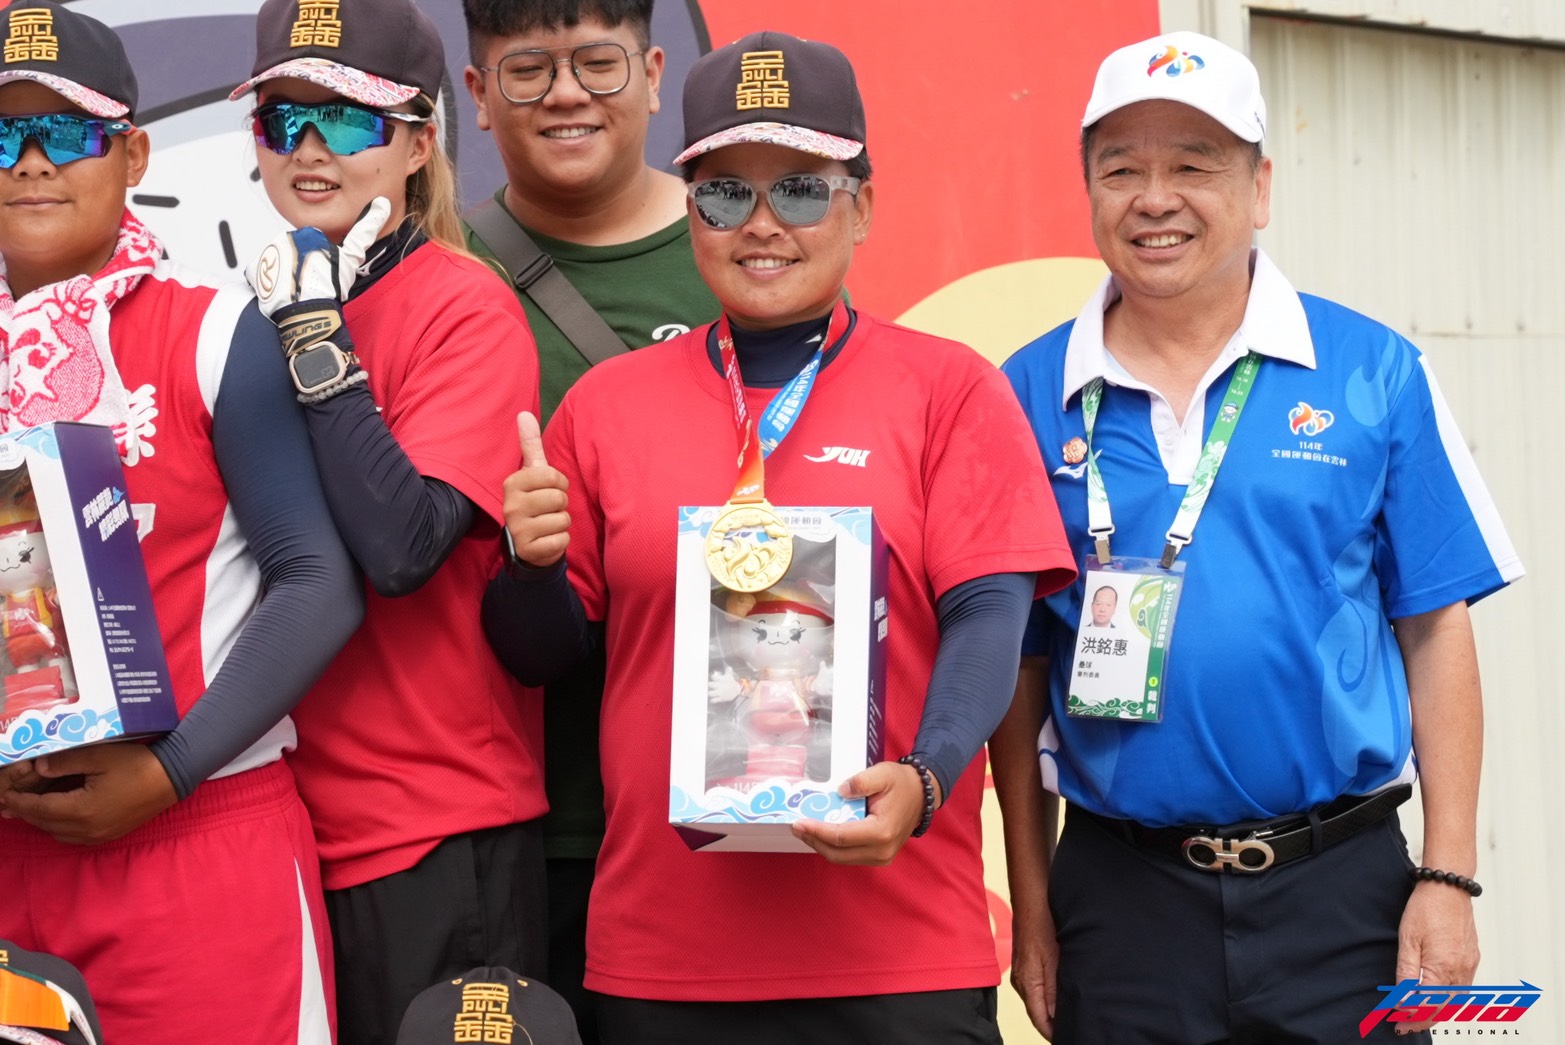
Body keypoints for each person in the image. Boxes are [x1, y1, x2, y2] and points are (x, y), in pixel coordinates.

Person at [483, 30, 1075, 1045]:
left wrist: (928, 775)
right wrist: (528, 566)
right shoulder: (606, 406)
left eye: (800, 189)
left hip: (896, 953)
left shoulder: (948, 391)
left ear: (862, 206)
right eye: (724, 194)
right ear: (691, 211)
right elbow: (540, 655)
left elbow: (989, 619)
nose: (761, 224)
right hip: (664, 960)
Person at [992, 30, 1523, 1044]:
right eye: (1121, 170)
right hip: (1119, 898)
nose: (1154, 199)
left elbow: (1434, 627)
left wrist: (1447, 874)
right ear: (1088, 189)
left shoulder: (1370, 370)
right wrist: (1032, 901)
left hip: (1341, 896)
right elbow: (1017, 667)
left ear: (1259, 187)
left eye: (1193, 166)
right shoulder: (1024, 392)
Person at [0, 2, 362, 1041]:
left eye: (67, 133)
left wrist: (171, 769)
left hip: (196, 837)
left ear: (133, 154)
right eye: (4, 137)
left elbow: (318, 580)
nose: (32, 162)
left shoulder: (214, 331)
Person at [230, 1, 544, 1041]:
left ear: (417, 142)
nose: (310, 147)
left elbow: (402, 547)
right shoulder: (246, 313)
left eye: (348, 118)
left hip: (434, 829)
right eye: (284, 119)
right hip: (278, 823)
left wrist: (317, 342)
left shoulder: (463, 303)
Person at [460, 3, 719, 1036]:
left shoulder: (752, 240)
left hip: (734, 797)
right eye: (527, 69)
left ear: (653, 73)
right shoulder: (439, 270)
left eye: (596, 63)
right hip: (522, 820)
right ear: (477, 96)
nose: (565, 93)